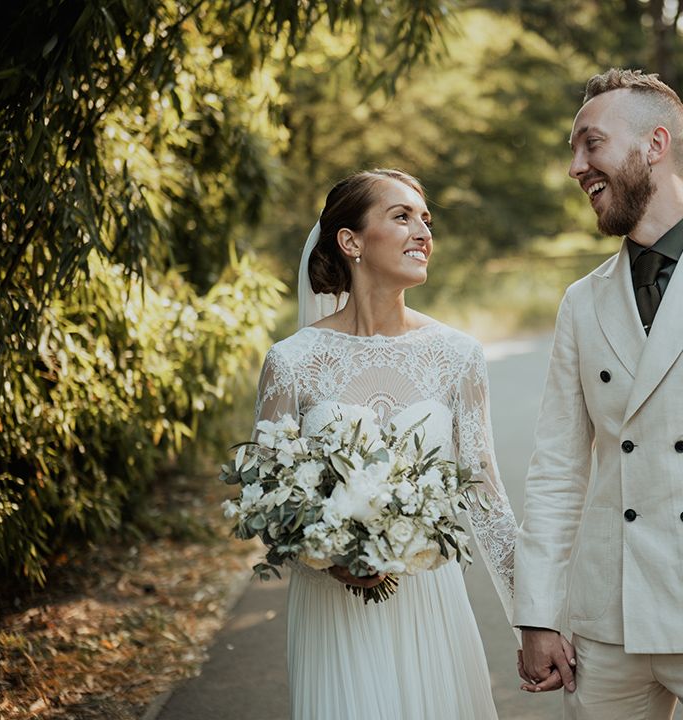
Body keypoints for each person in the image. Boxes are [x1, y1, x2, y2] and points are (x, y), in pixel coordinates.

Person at [253, 168, 517, 719]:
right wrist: (326, 552)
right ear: (350, 241)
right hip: (331, 609)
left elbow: (486, 499)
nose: (423, 231)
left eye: (426, 219)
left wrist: (534, 618)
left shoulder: (457, 355)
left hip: (431, 602)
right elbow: (265, 500)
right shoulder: (292, 362)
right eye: (402, 217)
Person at [514, 68, 683, 718]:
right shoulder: (581, 304)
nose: (575, 167)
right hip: (608, 619)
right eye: (572, 149)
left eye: (591, 144)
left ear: (654, 144)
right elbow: (558, 469)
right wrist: (537, 614)